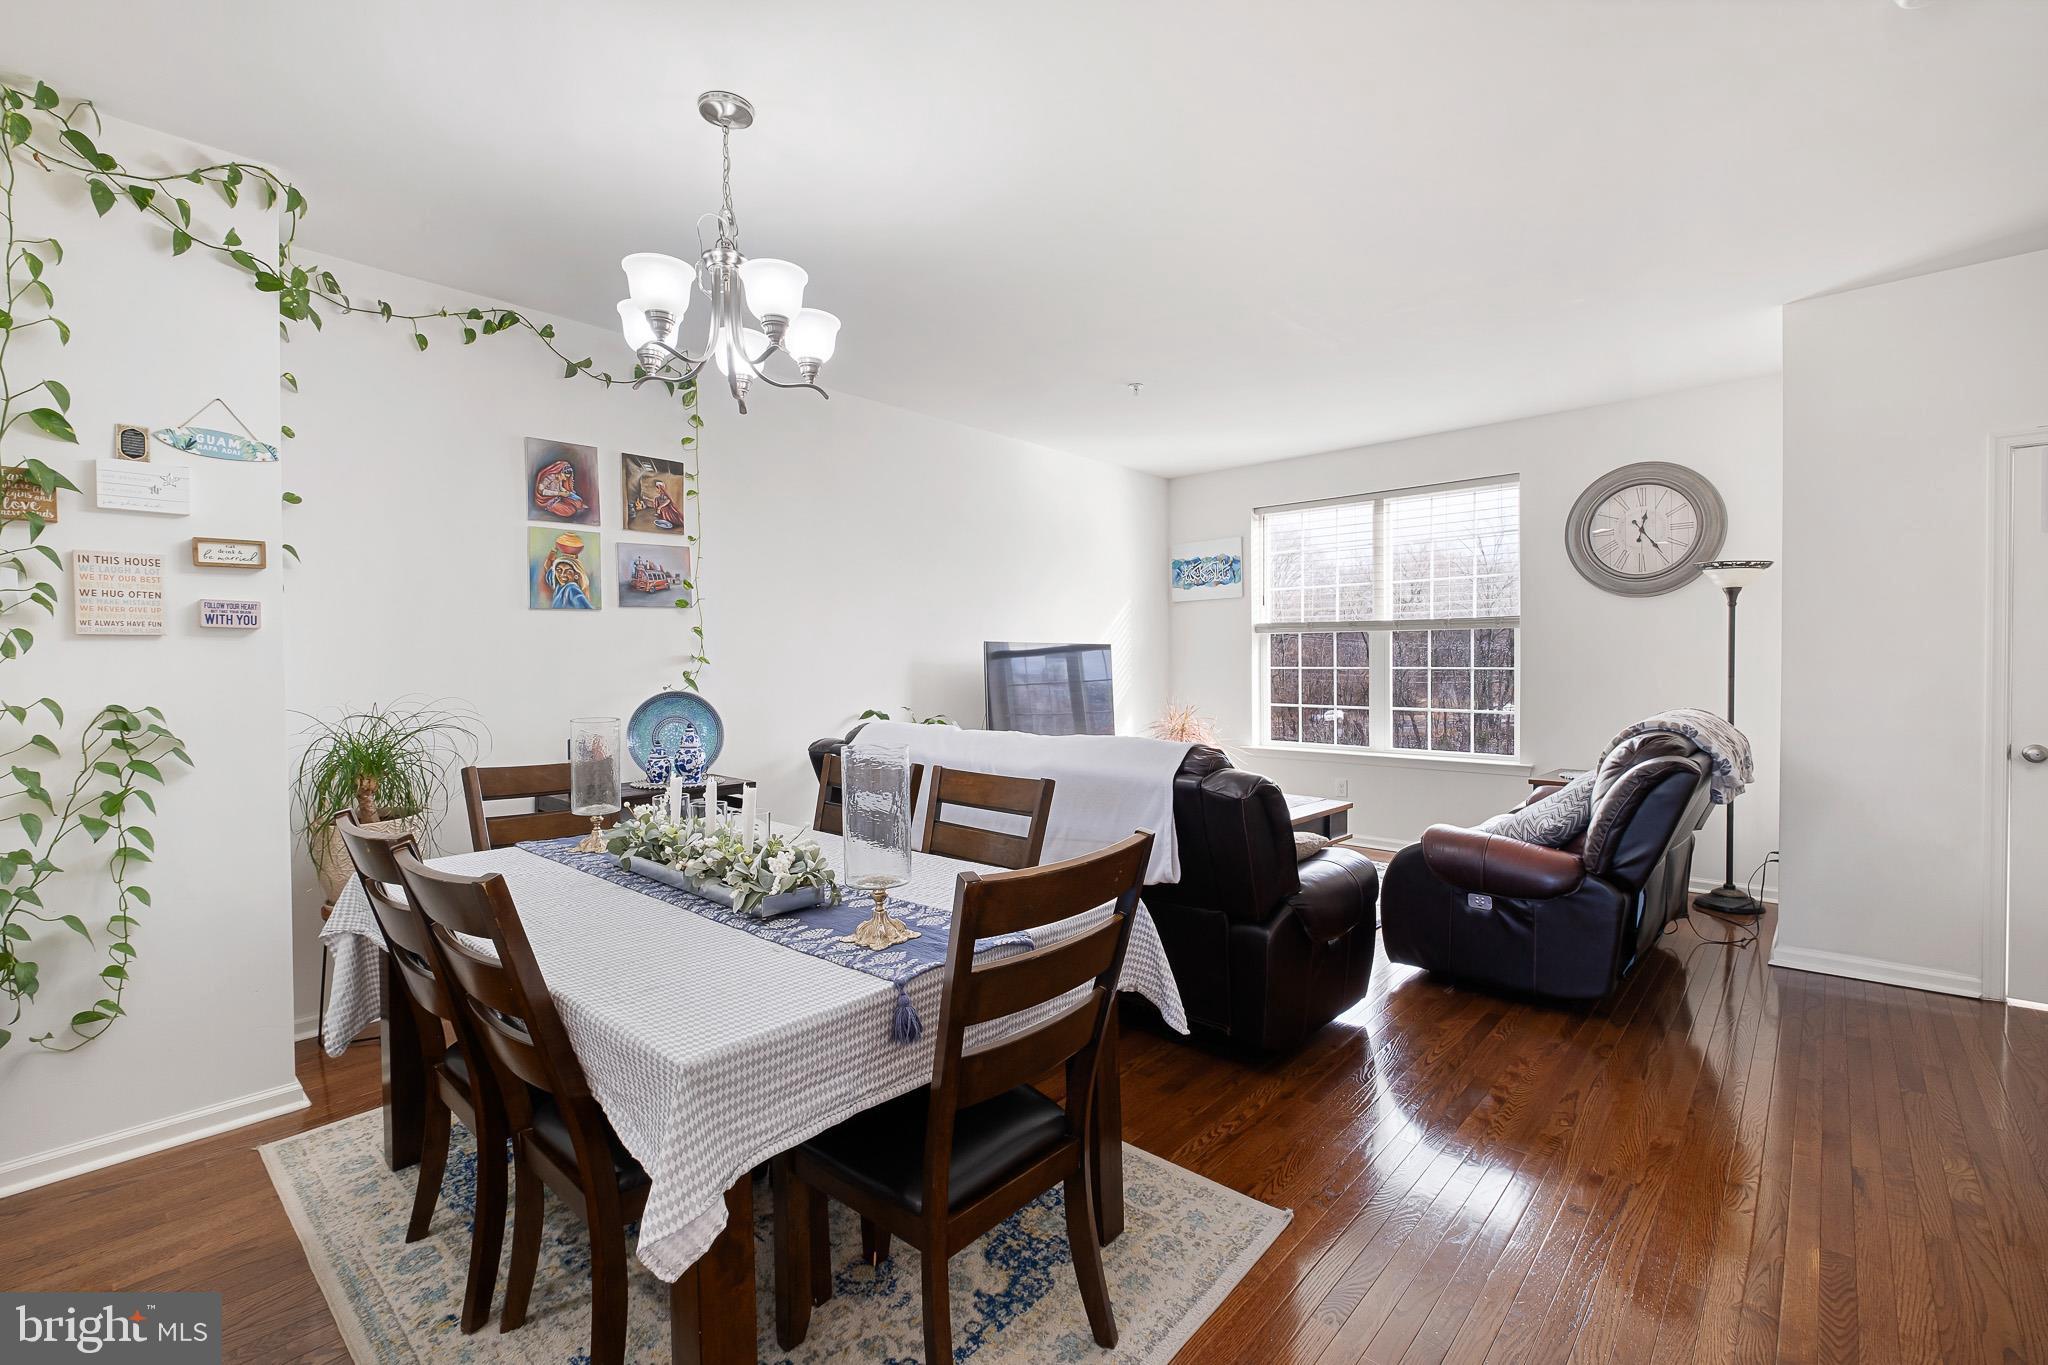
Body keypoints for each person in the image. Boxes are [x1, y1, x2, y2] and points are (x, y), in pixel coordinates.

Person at [540, 532, 594, 609]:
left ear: (576, 575)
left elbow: (587, 608)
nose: (562, 574)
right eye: (559, 570)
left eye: (568, 571)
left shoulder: (571, 589)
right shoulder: (558, 585)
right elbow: (547, 565)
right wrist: (555, 549)